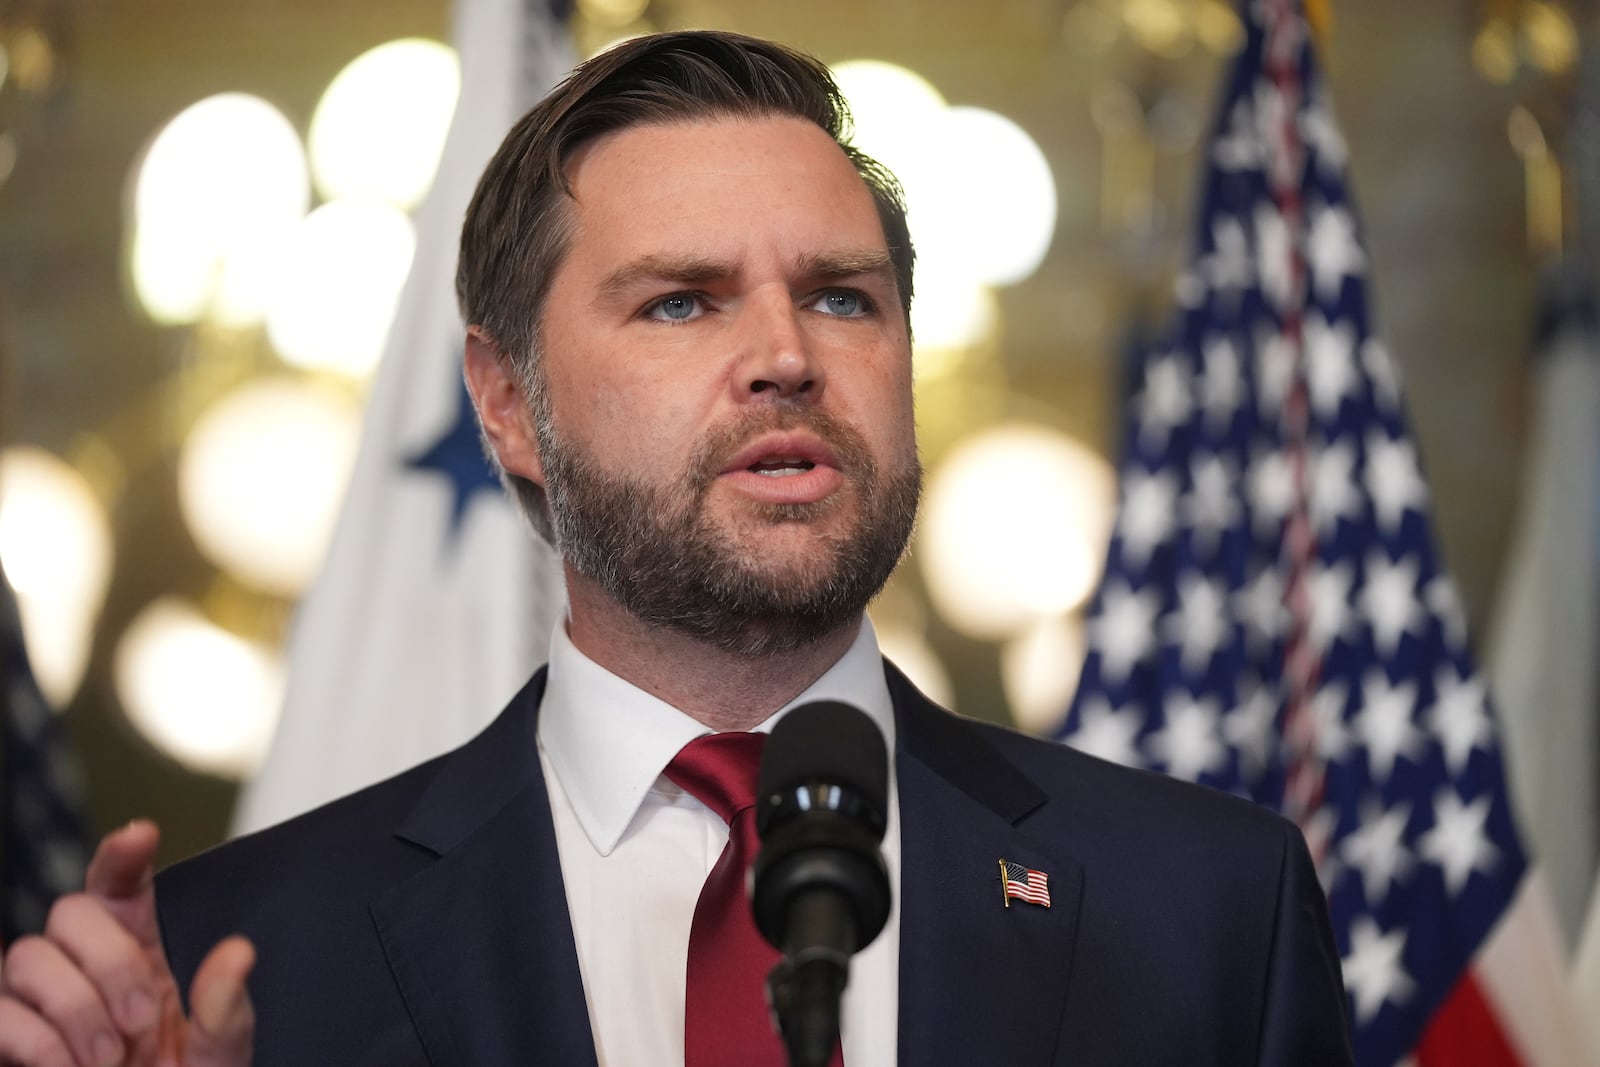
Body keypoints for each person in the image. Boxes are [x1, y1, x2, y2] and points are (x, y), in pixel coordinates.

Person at [0, 30, 1354, 1067]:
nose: (785, 356)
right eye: (681, 304)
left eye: (841, 296)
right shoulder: (240, 959)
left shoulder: (1209, 910)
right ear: (508, 403)